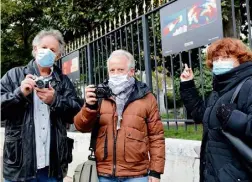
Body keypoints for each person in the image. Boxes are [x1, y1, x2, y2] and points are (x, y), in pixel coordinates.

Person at [1, 29, 81, 182]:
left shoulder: (63, 81)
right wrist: (19, 93)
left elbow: (77, 113)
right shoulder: (14, 75)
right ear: (35, 49)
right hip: (20, 165)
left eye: (52, 50)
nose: (47, 52)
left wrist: (55, 100)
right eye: (44, 47)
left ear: (57, 56)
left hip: (52, 166)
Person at [74, 50, 165, 182]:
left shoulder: (146, 97)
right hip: (104, 173)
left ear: (131, 72)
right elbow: (81, 126)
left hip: (137, 174)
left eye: (120, 70)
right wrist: (89, 107)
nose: (115, 74)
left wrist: (156, 172)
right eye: (112, 70)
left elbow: (156, 136)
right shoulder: (100, 95)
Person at [180, 38, 252, 182]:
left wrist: (233, 118)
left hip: (237, 175)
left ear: (240, 59)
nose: (219, 62)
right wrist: (187, 85)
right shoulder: (219, 90)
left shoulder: (248, 85)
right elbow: (199, 114)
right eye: (216, 58)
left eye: (225, 57)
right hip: (213, 173)